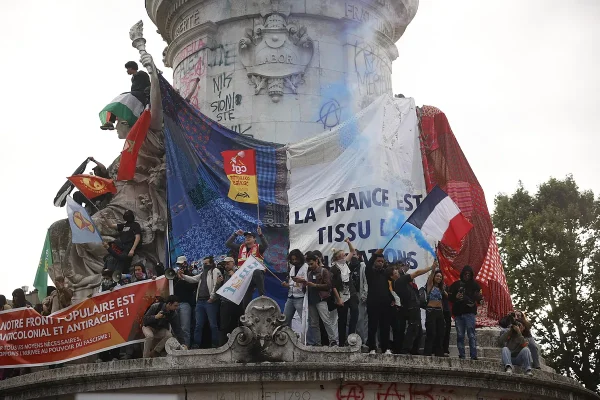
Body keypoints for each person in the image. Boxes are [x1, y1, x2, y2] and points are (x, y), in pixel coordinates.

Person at [177, 256, 222, 348]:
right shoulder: (202, 274)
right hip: (200, 301)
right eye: (204, 264)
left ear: (212, 263)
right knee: (198, 325)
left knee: (213, 324)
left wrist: (212, 297)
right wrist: (183, 276)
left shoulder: (215, 271)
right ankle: (196, 344)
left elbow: (216, 285)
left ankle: (215, 344)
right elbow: (193, 279)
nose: (205, 265)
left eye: (207, 263)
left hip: (210, 301)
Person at [296, 253, 338, 346]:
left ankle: (333, 340)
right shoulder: (309, 272)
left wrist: (315, 285)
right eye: (309, 264)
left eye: (312, 264)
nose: (310, 266)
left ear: (316, 261)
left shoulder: (324, 271)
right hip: (311, 300)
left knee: (326, 320)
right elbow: (305, 287)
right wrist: (302, 283)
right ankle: (317, 342)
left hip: (321, 299)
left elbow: (329, 286)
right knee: (314, 323)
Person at [394, 261, 434, 355]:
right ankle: (405, 350)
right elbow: (416, 273)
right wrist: (430, 267)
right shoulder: (400, 281)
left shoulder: (407, 283)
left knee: (418, 330)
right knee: (412, 328)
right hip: (410, 307)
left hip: (414, 307)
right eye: (396, 271)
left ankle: (414, 350)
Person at [225, 228, 268, 308]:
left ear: (254, 239)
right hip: (245, 277)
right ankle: (247, 315)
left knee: (257, 271)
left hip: (257, 276)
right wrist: (236, 234)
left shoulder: (259, 247)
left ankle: (262, 296)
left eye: (250, 237)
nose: (247, 238)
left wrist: (261, 235)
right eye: (246, 237)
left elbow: (266, 245)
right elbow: (228, 244)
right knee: (246, 302)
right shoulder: (240, 248)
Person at [448, 265, 483, 360]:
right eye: (465, 273)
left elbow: (480, 298)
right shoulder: (455, 285)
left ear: (471, 275)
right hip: (458, 314)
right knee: (460, 335)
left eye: (469, 274)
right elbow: (449, 297)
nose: (467, 275)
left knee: (471, 335)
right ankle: (462, 355)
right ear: (462, 274)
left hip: (470, 313)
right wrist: (456, 297)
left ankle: (473, 355)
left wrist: (478, 299)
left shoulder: (475, 285)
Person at [330, 239, 359, 346]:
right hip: (341, 295)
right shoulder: (334, 269)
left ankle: (351, 336)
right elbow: (333, 286)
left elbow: (352, 251)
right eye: (342, 255)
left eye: (344, 255)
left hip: (351, 293)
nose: (344, 256)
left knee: (355, 312)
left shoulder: (345, 264)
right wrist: (338, 299)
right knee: (342, 319)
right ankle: (341, 343)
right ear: (338, 258)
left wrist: (348, 242)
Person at [365, 250, 392, 354]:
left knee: (385, 327)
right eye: (378, 261)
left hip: (385, 304)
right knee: (372, 326)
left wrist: (392, 299)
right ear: (375, 262)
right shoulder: (370, 272)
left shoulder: (386, 274)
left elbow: (388, 288)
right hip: (373, 303)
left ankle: (386, 348)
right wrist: (375, 254)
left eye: (382, 261)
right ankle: (372, 347)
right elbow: (368, 264)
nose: (380, 263)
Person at [217, 257, 242, 346]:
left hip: (235, 302)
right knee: (223, 326)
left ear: (233, 263)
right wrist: (218, 283)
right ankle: (223, 345)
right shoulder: (224, 273)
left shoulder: (239, 272)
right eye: (225, 264)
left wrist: (234, 275)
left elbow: (242, 285)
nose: (226, 265)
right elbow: (219, 289)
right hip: (225, 302)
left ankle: (236, 344)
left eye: (228, 263)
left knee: (236, 325)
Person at [282, 249, 308, 334]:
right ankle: (287, 338)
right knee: (285, 320)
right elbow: (291, 282)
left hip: (300, 297)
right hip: (291, 296)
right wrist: (287, 285)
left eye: (296, 259)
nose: (294, 261)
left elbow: (308, 281)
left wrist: (301, 280)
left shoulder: (306, 267)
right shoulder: (292, 268)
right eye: (292, 260)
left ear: (300, 258)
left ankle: (306, 340)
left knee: (304, 320)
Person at [172, 256, 196, 349]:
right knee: (175, 328)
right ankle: (176, 347)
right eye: (178, 264)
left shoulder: (190, 274)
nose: (180, 266)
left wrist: (183, 278)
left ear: (185, 263)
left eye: (181, 264)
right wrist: (177, 278)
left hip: (185, 304)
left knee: (185, 327)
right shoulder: (173, 275)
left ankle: (186, 347)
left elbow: (192, 288)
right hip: (174, 304)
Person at [424, 268, 447, 357]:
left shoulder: (440, 288)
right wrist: (433, 269)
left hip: (439, 311)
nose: (439, 278)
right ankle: (427, 352)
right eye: (437, 276)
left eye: (440, 277)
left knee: (441, 333)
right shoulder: (430, 286)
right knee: (431, 332)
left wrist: (442, 314)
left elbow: (441, 301)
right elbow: (430, 277)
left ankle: (439, 352)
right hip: (431, 310)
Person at [348, 250, 368, 344]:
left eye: (355, 255)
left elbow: (365, 282)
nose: (353, 256)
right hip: (349, 295)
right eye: (351, 254)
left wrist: (364, 294)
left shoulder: (363, 266)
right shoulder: (347, 266)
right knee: (349, 319)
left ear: (359, 256)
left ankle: (362, 342)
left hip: (359, 294)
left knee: (360, 319)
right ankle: (349, 341)